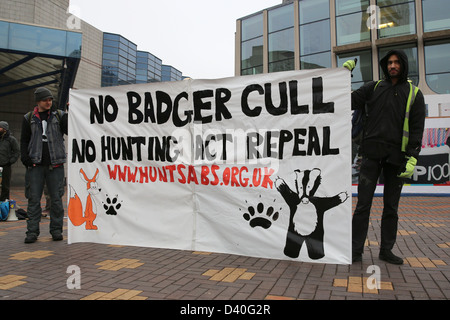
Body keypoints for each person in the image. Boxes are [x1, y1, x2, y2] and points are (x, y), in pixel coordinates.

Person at [344, 50, 426, 264]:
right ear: (385, 65)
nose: (392, 65)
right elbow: (348, 101)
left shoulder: (415, 94)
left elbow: (417, 128)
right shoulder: (374, 88)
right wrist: (344, 77)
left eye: (397, 62)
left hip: (397, 160)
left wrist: (412, 157)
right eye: (389, 62)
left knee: (391, 208)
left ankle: (386, 250)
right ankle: (355, 251)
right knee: (363, 206)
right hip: (370, 156)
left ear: (403, 65)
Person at [20, 87, 68, 243]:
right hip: (35, 165)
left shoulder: (59, 116)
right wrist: (25, 159)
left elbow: (70, 130)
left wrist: (69, 112)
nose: (48, 102)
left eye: (50, 99)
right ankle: (32, 232)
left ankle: (56, 230)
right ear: (38, 102)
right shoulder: (28, 118)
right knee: (33, 199)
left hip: (56, 164)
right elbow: (24, 140)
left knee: (56, 200)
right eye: (45, 100)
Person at [0, 121, 20, 201]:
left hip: (5, 165)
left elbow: (16, 151)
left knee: (5, 186)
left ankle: (4, 202)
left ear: (4, 129)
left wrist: (10, 161)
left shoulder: (11, 139)